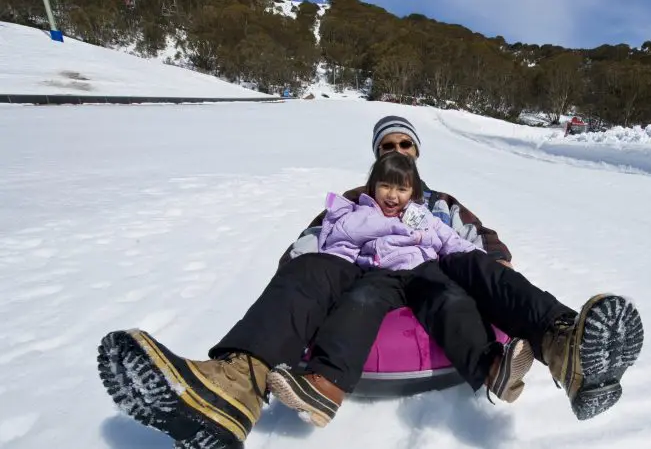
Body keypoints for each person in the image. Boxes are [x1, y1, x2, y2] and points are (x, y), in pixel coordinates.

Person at [95, 116, 522, 449]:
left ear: (417, 150)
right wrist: (301, 275)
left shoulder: (441, 203)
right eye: (388, 146)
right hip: (365, 277)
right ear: (376, 155)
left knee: (447, 289)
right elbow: (312, 241)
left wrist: (491, 274)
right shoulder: (356, 200)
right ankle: (232, 387)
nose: (398, 150)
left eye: (404, 144)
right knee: (317, 275)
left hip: (427, 278)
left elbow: (478, 241)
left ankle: (488, 361)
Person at [266, 152, 534, 427]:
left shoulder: (421, 216)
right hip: (379, 271)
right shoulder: (361, 213)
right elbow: (337, 243)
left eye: (402, 189)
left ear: (413, 192)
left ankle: (492, 368)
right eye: (385, 186)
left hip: (424, 269)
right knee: (359, 301)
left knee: (451, 300)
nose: (392, 195)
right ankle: (326, 384)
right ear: (373, 187)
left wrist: (489, 263)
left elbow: (451, 241)